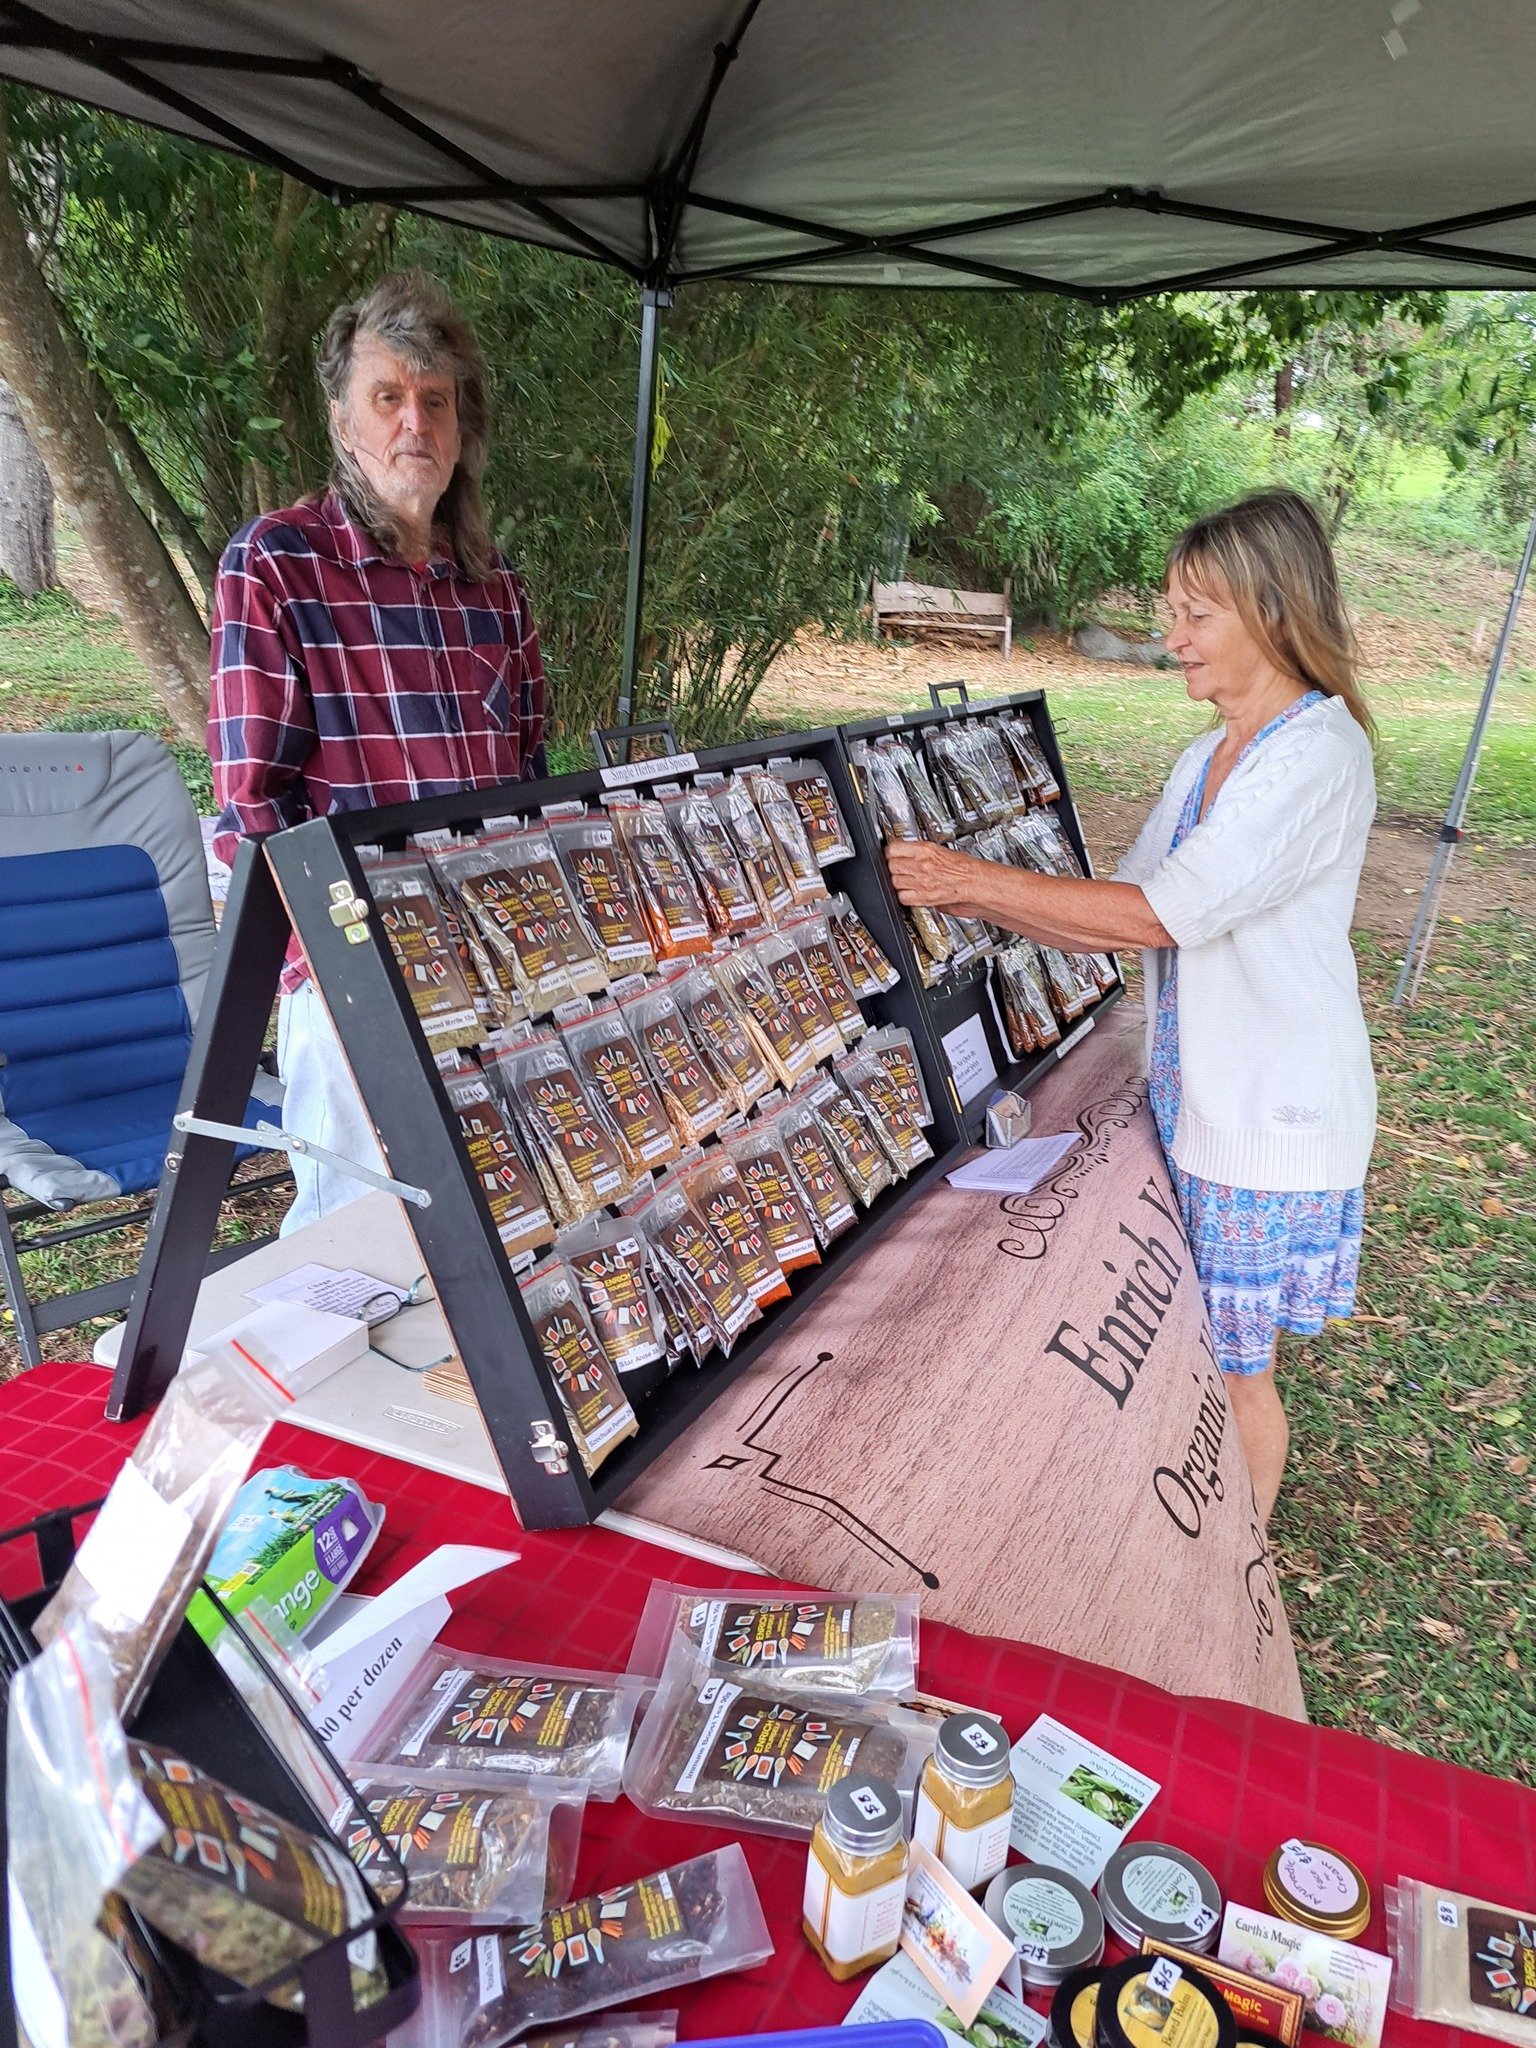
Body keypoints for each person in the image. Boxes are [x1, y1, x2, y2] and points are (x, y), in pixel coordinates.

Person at [886, 490, 1376, 1523]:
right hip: (1209, 1098)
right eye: (1170, 612)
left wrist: (968, 879)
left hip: (1268, 1115)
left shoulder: (1315, 754)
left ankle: (1237, 1580)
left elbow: (1160, 915)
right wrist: (973, 896)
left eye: (1198, 614)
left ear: (1272, 612)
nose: (1174, 636)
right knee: (1201, 1355)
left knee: (1236, 1374)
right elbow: (1112, 916)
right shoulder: (1211, 757)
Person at [209, 270, 547, 1234]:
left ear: (463, 427)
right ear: (341, 419)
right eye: (387, 396)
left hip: (492, 967)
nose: (414, 424)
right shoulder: (276, 564)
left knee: (499, 1238)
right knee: (362, 1254)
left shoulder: (493, 586)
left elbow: (529, 771)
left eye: (436, 401)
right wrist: (328, 970)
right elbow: (253, 805)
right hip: (355, 980)